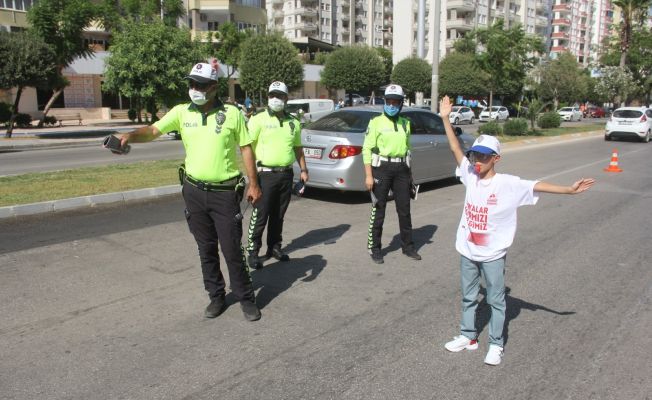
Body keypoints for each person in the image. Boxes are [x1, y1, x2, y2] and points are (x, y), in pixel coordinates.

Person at [438, 95, 595, 365]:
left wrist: (569, 190)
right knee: (468, 296)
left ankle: (496, 344)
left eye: (484, 157)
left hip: (493, 255)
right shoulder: (470, 175)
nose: (478, 160)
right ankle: (469, 336)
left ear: (496, 158)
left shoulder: (508, 184)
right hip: (467, 249)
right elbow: (455, 149)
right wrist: (444, 118)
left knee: (497, 302)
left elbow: (537, 185)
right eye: (475, 154)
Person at [114, 61, 263, 322]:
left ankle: (245, 298)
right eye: (192, 83)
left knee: (231, 250)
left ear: (214, 87)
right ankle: (216, 296)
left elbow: (246, 148)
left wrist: (254, 183)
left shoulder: (232, 114)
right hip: (193, 191)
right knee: (205, 248)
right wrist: (129, 135)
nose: (195, 89)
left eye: (201, 85)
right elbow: (152, 131)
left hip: (225, 194)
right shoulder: (182, 112)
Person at [245, 81, 309, 270]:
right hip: (264, 175)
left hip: (285, 175)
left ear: (286, 98)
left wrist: (304, 170)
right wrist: (252, 179)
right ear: (267, 97)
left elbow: (298, 148)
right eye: (272, 95)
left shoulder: (293, 122)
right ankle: (253, 251)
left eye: (279, 96)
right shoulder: (257, 119)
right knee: (260, 215)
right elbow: (246, 148)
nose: (275, 99)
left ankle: (274, 247)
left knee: (278, 215)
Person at [362, 84, 421, 264]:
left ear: (402, 103)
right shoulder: (376, 122)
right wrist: (369, 175)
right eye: (389, 101)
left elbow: (408, 150)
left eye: (396, 102)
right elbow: (366, 149)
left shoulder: (406, 123)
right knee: (378, 210)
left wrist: (410, 176)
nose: (392, 105)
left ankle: (408, 247)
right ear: (384, 101)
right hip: (382, 169)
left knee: (404, 210)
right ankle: (375, 248)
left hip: (402, 170)